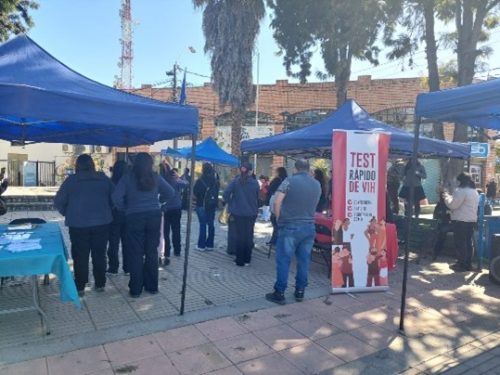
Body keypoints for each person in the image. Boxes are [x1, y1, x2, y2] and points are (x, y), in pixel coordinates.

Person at [112, 153, 175, 298]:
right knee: (152, 252)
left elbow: (116, 197)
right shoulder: (156, 177)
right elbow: (171, 192)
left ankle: (135, 289)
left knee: (136, 253)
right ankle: (152, 286)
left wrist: (125, 208)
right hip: (154, 216)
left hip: (134, 217)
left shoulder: (127, 177)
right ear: (150, 163)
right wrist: (160, 203)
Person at [54, 154, 114, 297]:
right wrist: (107, 210)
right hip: (101, 223)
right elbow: (115, 197)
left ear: (77, 165)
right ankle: (100, 283)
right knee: (99, 254)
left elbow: (58, 202)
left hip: (78, 224)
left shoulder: (71, 181)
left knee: (80, 255)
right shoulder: (103, 179)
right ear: (92, 164)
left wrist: (67, 213)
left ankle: (80, 285)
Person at [265, 159, 321, 304]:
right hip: (309, 227)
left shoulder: (289, 181)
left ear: (295, 169)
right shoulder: (317, 184)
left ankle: (280, 292)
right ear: (308, 169)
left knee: (284, 260)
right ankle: (300, 291)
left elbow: (277, 202)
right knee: (304, 261)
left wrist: (279, 219)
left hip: (290, 226)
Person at [224, 162, 260, 266]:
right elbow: (258, 197)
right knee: (249, 235)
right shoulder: (255, 183)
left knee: (239, 236)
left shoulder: (235, 182)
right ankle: (247, 258)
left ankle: (239, 259)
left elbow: (226, 194)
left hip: (238, 212)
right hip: (252, 212)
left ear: (240, 170)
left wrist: (231, 203)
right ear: (250, 171)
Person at [443, 172, 479, 272]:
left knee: (460, 243)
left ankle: (461, 264)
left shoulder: (461, 191)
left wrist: (446, 196)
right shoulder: (474, 191)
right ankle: (468, 264)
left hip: (460, 220)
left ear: (461, 181)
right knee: (468, 243)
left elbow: (452, 205)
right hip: (471, 220)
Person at [162, 164, 189, 264]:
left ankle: (167, 251)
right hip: (176, 208)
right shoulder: (176, 181)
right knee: (176, 230)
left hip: (165, 209)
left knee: (165, 232)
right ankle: (177, 250)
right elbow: (186, 183)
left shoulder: (163, 181)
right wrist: (178, 177)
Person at [107, 160, 129, 275]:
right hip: (128, 215)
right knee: (127, 242)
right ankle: (128, 268)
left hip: (114, 215)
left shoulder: (110, 182)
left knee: (113, 243)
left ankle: (113, 267)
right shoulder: (129, 182)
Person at [193, 163, 220, 251]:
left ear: (203, 170)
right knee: (211, 224)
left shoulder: (200, 180)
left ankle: (201, 245)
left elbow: (195, 192)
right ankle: (210, 244)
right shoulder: (215, 180)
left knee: (203, 224)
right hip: (212, 205)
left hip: (201, 204)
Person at [266, 167, 288, 246]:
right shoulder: (287, 181)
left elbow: (270, 190)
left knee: (275, 223)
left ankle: (274, 241)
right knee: (278, 224)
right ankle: (276, 240)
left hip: (276, 202)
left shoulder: (277, 180)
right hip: (284, 205)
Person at [432, 192, 451, 260]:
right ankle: (435, 251)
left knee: (442, 233)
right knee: (439, 233)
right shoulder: (440, 204)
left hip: (446, 224)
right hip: (441, 223)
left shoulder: (449, 204)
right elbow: (435, 215)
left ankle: (436, 252)